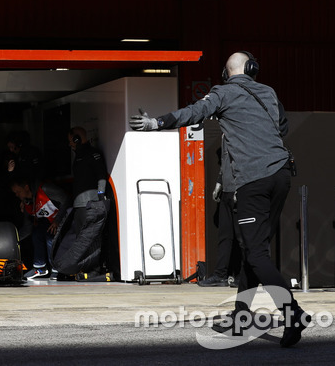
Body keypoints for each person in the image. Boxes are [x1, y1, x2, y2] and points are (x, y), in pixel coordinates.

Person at [129, 51, 311, 348]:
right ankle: (241, 316)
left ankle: (293, 314)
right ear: (252, 68)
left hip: (253, 179)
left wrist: (155, 123)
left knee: (255, 254)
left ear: (226, 74)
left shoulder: (222, 93)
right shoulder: (268, 92)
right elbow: (282, 127)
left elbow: (192, 113)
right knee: (255, 249)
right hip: (281, 175)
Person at [50, 127, 110, 279]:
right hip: (78, 207)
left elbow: (101, 175)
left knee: (92, 239)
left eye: (71, 141)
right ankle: (77, 268)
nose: (70, 144)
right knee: (79, 240)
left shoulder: (93, 154)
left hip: (90, 205)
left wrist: (100, 196)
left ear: (77, 139)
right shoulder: (78, 156)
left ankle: (94, 271)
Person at [10, 177, 70, 280]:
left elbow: (67, 200)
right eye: (15, 193)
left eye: (18, 191)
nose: (17, 195)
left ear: (26, 187)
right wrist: (13, 240)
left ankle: (57, 269)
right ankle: (40, 268)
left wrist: (58, 221)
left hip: (66, 218)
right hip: (51, 223)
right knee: (37, 233)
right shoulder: (27, 204)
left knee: (50, 235)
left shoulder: (45, 189)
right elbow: (27, 228)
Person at [199, 142, 242, 288]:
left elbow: (246, 162)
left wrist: (240, 188)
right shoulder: (224, 136)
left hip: (240, 190)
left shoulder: (240, 132)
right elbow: (225, 163)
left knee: (242, 237)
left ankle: (244, 276)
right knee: (225, 235)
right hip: (227, 191)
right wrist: (219, 183)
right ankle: (220, 275)